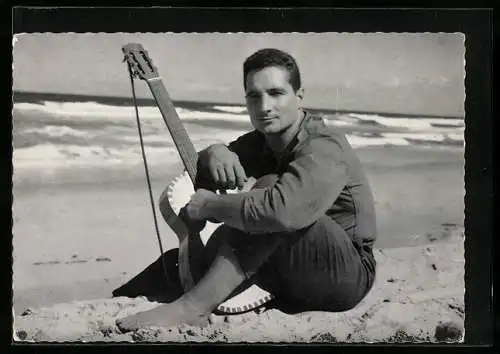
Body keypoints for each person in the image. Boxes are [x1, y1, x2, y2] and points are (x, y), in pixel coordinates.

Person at [116, 48, 377, 332]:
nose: (264, 106)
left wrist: (208, 206)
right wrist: (214, 151)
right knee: (176, 265)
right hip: (283, 270)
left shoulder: (324, 145)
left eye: (276, 93)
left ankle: (193, 308)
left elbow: (281, 211)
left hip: (344, 275)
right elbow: (200, 174)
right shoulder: (262, 141)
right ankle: (116, 300)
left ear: (299, 96)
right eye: (254, 96)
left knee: (268, 192)